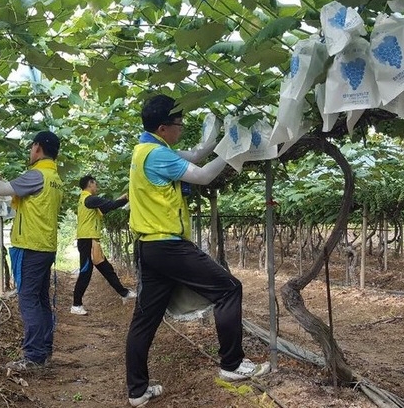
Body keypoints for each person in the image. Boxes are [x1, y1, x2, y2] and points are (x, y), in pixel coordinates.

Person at [125, 94, 270, 407]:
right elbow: (203, 175)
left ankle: (137, 391)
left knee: (145, 320)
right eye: (178, 124)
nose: (181, 128)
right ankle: (231, 365)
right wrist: (236, 147)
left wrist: (217, 133)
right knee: (229, 289)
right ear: (163, 128)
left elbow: (196, 154)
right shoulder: (157, 155)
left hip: (149, 247)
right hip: (166, 245)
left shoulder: (147, 149)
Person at [0, 130, 63, 371]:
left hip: (31, 246)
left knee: (28, 300)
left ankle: (34, 356)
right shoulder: (54, 178)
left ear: (37, 148)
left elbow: (2, 189)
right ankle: (44, 350)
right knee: (40, 299)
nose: (30, 152)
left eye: (31, 147)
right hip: (45, 247)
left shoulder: (37, 174)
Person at [70, 175, 136, 316]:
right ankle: (76, 304)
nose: (97, 187)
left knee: (106, 268)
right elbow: (109, 205)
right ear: (90, 184)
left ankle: (123, 293)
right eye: (96, 184)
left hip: (91, 240)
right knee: (86, 272)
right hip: (87, 240)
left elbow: (107, 209)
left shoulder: (86, 201)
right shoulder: (89, 199)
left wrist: (122, 199)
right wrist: (126, 198)